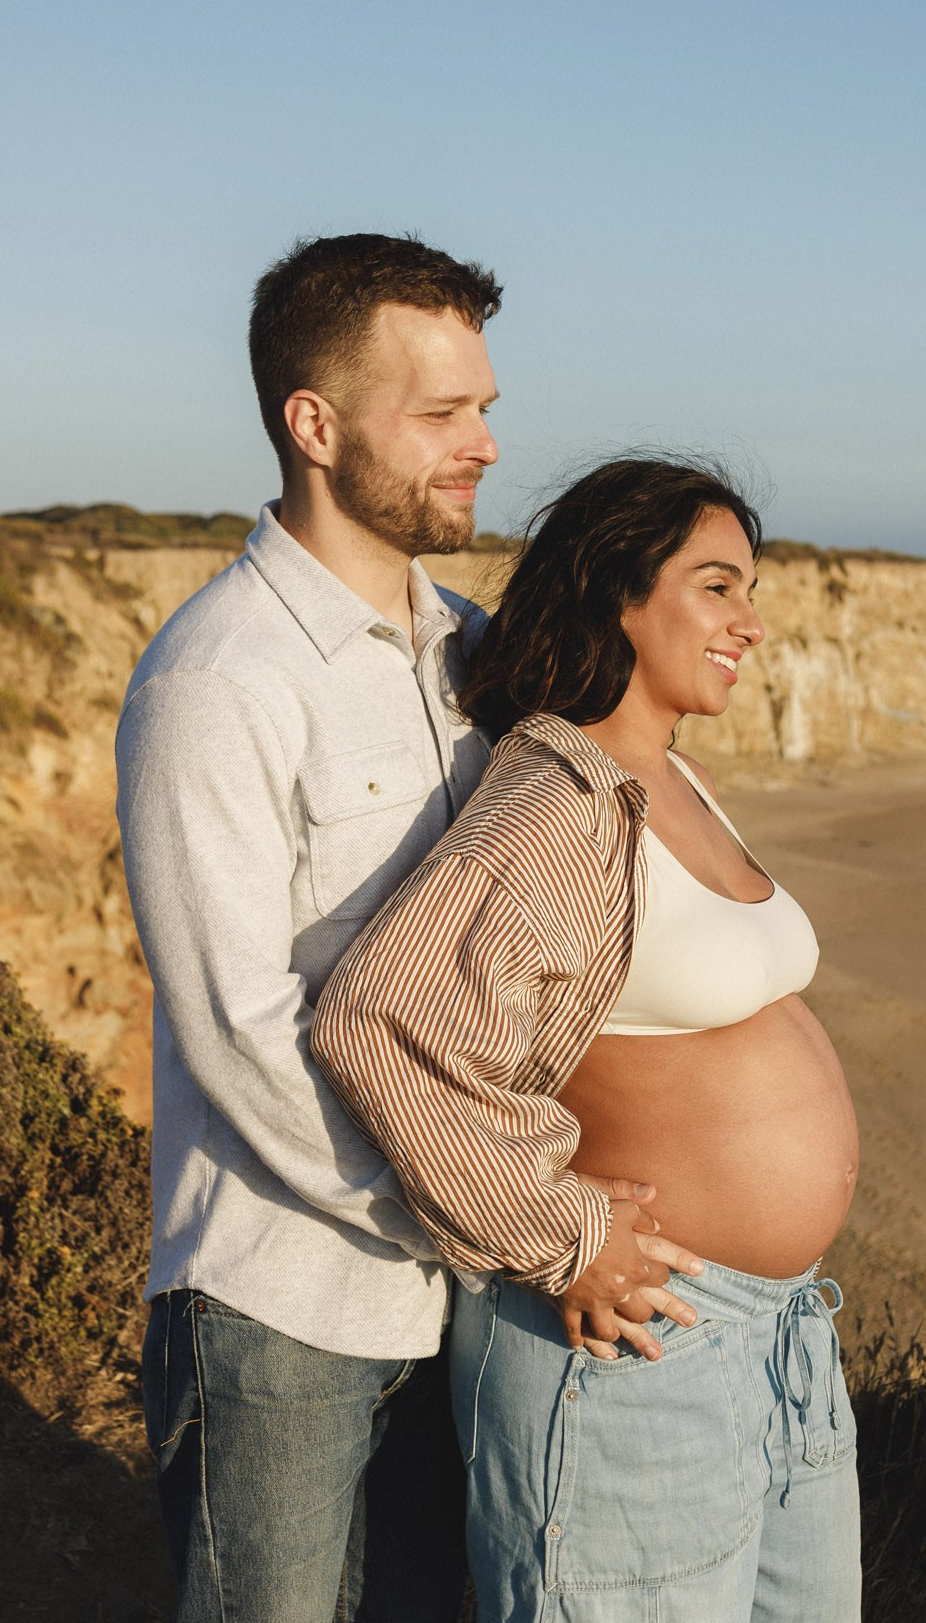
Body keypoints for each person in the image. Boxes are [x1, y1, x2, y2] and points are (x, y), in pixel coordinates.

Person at [314, 458, 864, 1622]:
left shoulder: (675, 778)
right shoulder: (558, 795)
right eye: (715, 586)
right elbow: (380, 1019)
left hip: (777, 1341)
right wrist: (564, 1233)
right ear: (620, 591)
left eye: (750, 589)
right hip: (640, 1355)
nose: (750, 622)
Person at [114, 232, 513, 1622]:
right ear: (316, 424)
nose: (483, 444)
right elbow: (240, 1026)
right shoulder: (217, 678)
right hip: (279, 1304)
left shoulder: (471, 652)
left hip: (456, 1299)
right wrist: (462, 1199)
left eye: (485, 407)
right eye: (442, 413)